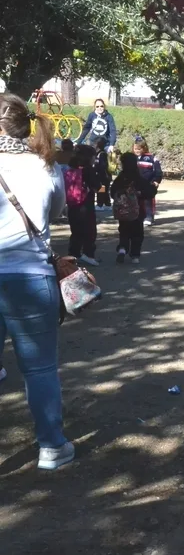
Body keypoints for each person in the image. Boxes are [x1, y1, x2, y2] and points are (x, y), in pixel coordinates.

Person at [0, 92, 73, 469]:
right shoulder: (45, 164)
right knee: (40, 369)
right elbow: (57, 211)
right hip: (32, 276)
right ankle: (51, 447)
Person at [111, 152, 156, 264]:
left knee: (124, 231)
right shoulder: (139, 179)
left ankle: (122, 249)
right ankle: (135, 255)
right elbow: (150, 192)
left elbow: (112, 192)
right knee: (137, 233)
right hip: (138, 211)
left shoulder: (120, 179)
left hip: (123, 211)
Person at [65, 144, 100, 266]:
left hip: (72, 205)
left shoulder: (70, 169)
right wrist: (103, 188)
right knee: (89, 231)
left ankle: (73, 254)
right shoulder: (88, 170)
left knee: (76, 231)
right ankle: (88, 254)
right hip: (86, 205)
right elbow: (97, 187)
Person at [133, 136, 162, 226]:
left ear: (144, 148)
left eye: (139, 149)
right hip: (136, 185)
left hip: (149, 184)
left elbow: (158, 171)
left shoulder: (151, 158)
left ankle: (149, 217)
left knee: (148, 201)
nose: (137, 151)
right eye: (135, 149)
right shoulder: (132, 158)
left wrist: (156, 181)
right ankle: (139, 217)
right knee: (137, 201)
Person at [93, 137, 112, 210]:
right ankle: (107, 204)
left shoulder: (102, 154)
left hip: (103, 176)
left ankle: (100, 204)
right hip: (104, 176)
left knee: (101, 190)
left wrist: (96, 169)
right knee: (104, 190)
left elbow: (103, 166)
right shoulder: (99, 154)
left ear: (98, 145)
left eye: (94, 143)